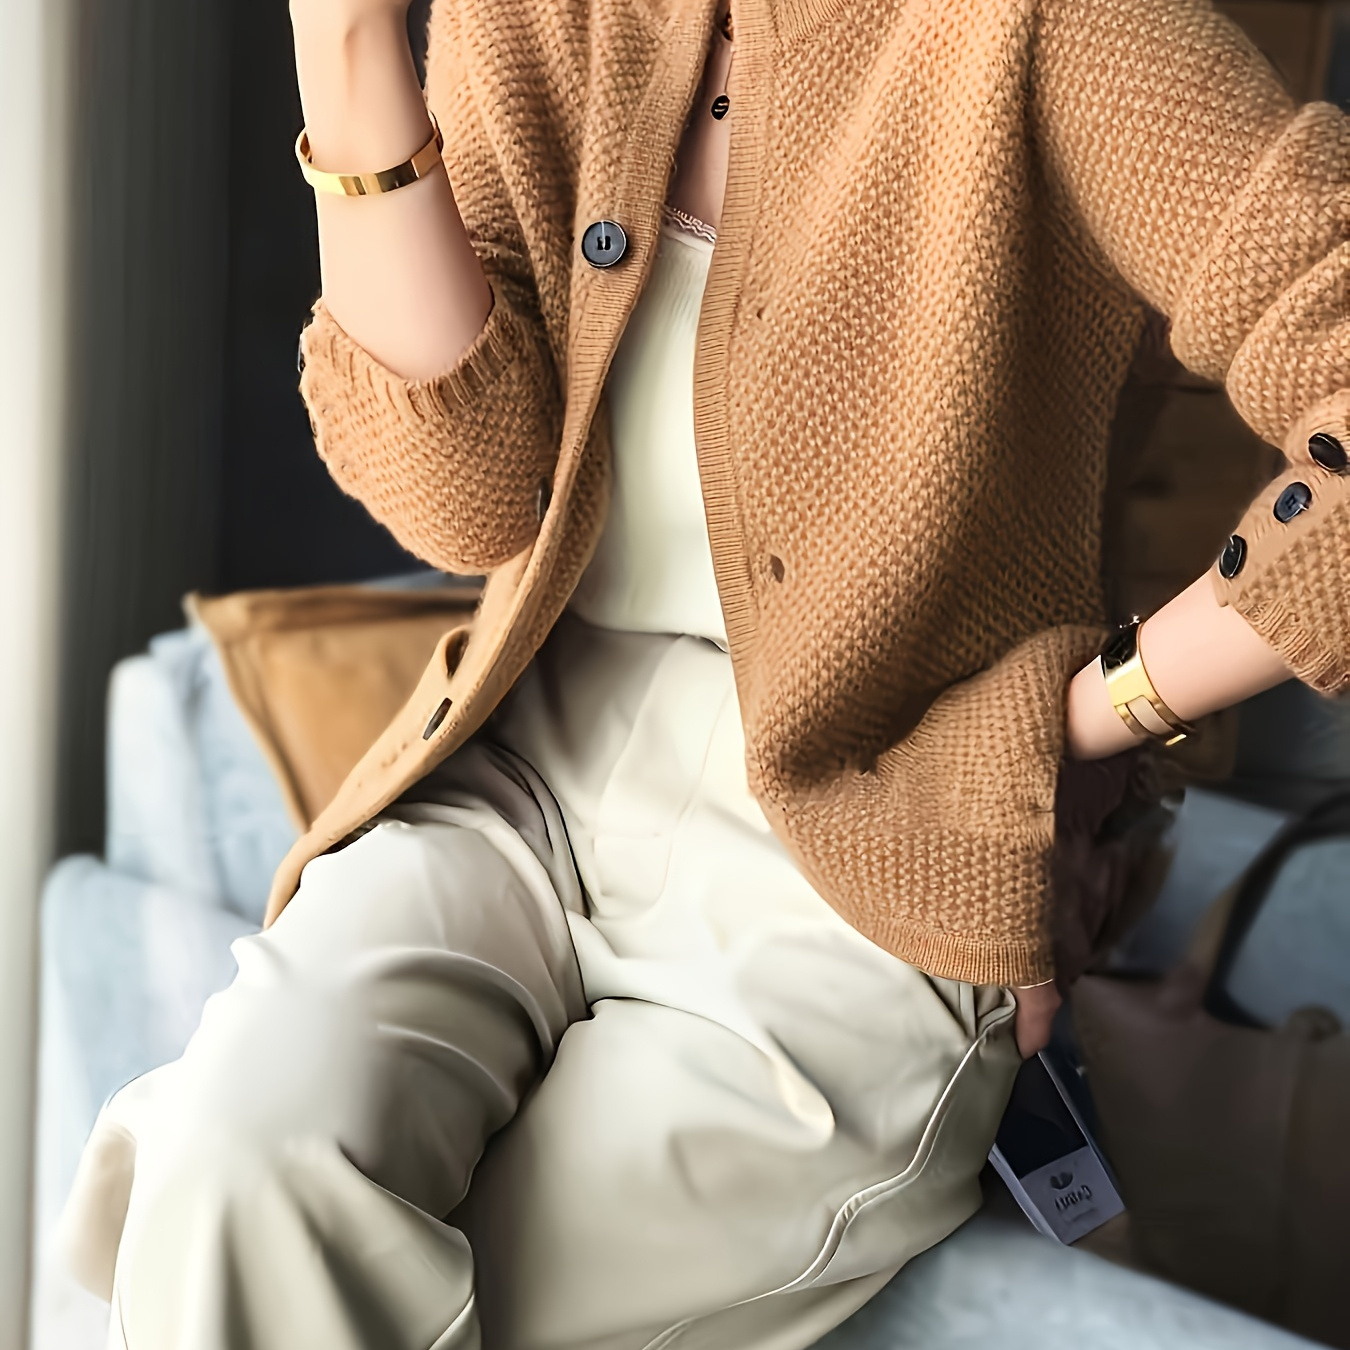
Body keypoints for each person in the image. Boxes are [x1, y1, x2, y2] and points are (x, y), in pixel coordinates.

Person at [60, 0, 1348, 1345]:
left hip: (876, 837)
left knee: (280, 1277)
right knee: (230, 1169)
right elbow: (468, 498)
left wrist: (1090, 718)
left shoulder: (1053, 21)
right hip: (520, 779)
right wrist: (346, 48)